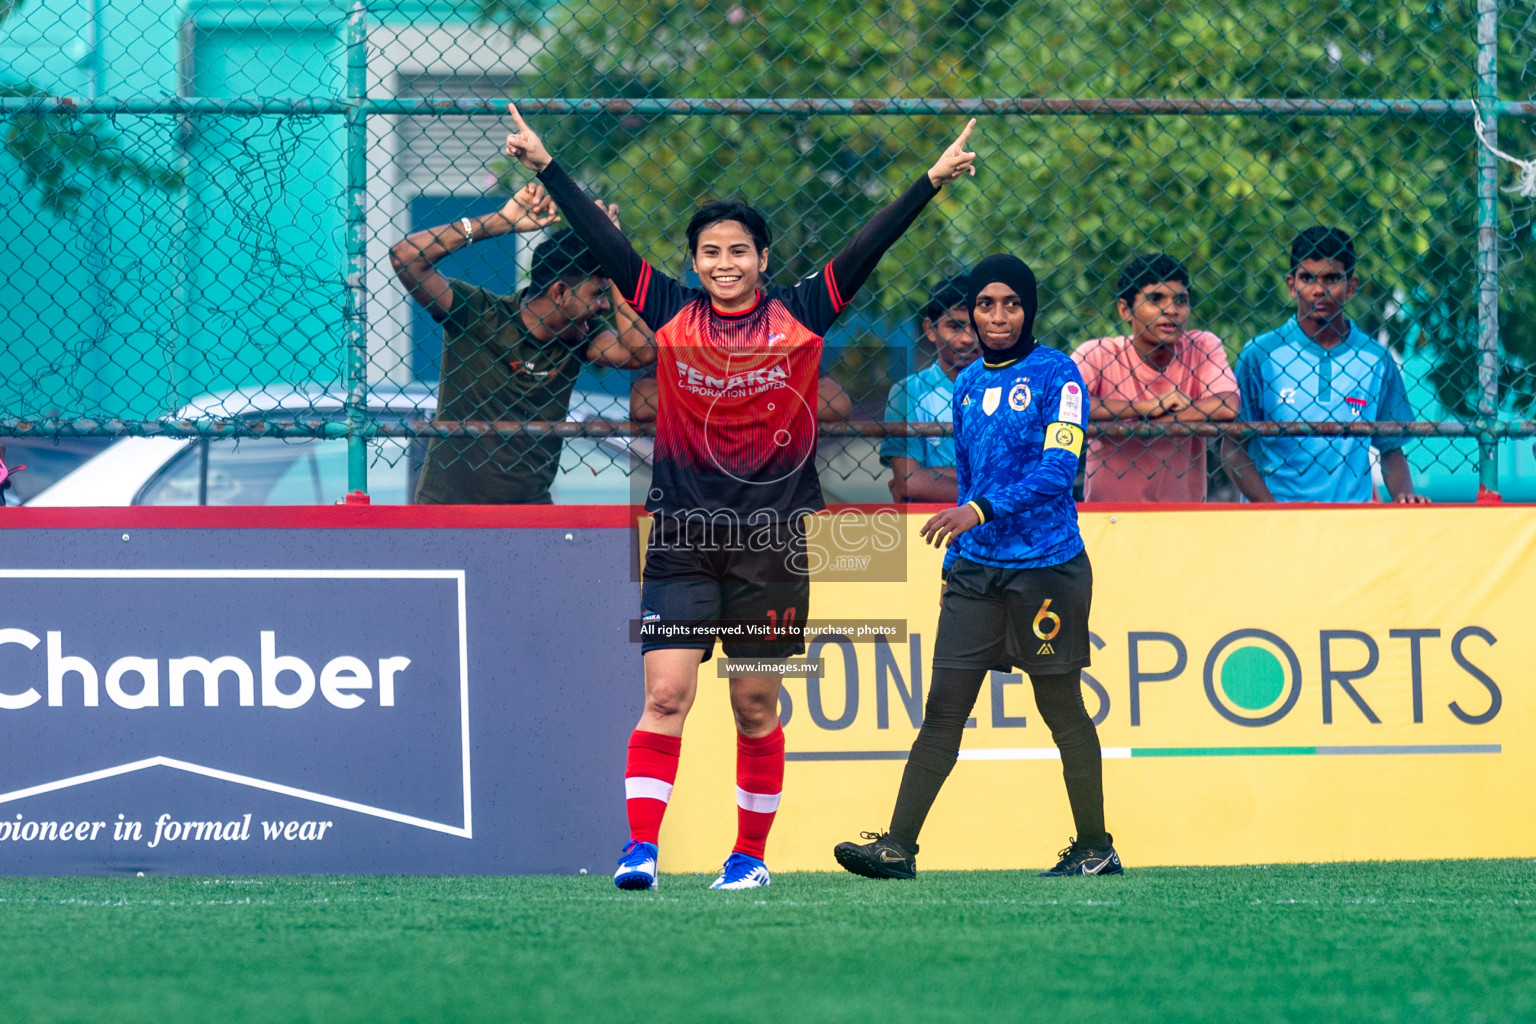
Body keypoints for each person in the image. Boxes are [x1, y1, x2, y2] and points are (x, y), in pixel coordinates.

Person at [503, 103, 979, 890]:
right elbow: (606, 242)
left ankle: (749, 857)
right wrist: (548, 166)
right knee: (666, 691)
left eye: (738, 251)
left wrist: (929, 181)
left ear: (762, 258)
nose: (724, 263)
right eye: (710, 252)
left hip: (774, 544)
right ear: (694, 262)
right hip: (684, 537)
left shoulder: (801, 311)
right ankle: (641, 850)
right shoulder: (667, 310)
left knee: (755, 707)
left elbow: (867, 247)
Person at [834, 254, 1122, 880]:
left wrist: (978, 511)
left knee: (1061, 706)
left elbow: (1057, 472)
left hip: (1046, 566)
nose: (995, 317)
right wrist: (959, 556)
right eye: (983, 306)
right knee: (943, 707)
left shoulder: (1059, 375)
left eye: (1010, 304)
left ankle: (1096, 847)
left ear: (1029, 310)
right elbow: (969, 474)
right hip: (975, 571)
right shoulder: (964, 385)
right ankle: (898, 846)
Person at [390, 184, 653, 505]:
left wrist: (617, 258)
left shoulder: (581, 336)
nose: (604, 306)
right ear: (559, 292)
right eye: (597, 294)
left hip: (531, 517)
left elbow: (640, 351)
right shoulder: (478, 313)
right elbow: (405, 257)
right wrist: (501, 221)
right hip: (448, 514)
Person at [1223, 227, 1430, 504]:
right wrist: (1272, 511)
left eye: (1331, 278)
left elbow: (1391, 449)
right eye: (1307, 278)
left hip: (1348, 523)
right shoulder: (1261, 355)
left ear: (1352, 287)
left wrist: (1405, 498)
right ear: (1291, 284)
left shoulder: (1375, 359)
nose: (1318, 289)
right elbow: (1232, 448)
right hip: (1274, 525)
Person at [1072, 254, 1239, 502]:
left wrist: (1156, 423)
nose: (1171, 310)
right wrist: (1147, 407)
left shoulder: (1202, 346)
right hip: (1109, 516)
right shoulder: (1098, 355)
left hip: (1182, 515)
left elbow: (1227, 405)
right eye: (1156, 299)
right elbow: (1062, 405)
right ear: (1125, 310)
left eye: (1180, 300)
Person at [882, 274, 979, 502]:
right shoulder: (909, 392)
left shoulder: (1009, 390)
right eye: (955, 326)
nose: (967, 338)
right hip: (927, 525)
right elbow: (911, 482)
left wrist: (937, 474)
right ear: (930, 328)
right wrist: (994, 491)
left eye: (977, 327)